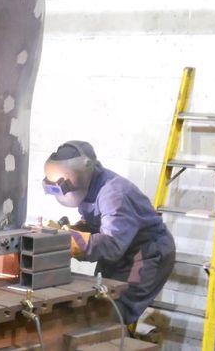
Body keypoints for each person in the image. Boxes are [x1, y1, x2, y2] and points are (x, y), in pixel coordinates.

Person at [42, 140, 175, 329]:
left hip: (145, 255)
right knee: (98, 300)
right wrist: (73, 230)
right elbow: (97, 223)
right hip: (122, 252)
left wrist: (65, 240)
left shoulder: (114, 194)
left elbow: (111, 245)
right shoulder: (90, 186)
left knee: (112, 312)